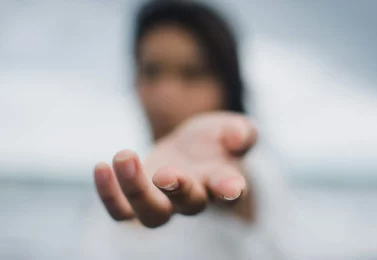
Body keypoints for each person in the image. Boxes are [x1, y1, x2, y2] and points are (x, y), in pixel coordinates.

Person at [81, 1, 290, 259]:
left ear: (227, 86)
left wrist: (227, 175)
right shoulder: (119, 186)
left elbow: (242, 192)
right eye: (152, 71)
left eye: (192, 73)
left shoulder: (256, 173)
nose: (166, 94)